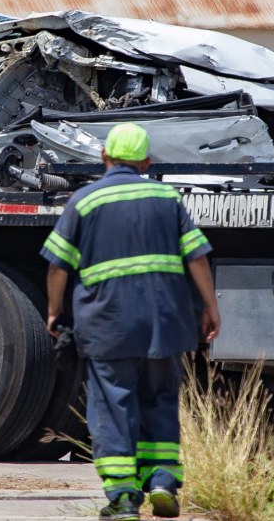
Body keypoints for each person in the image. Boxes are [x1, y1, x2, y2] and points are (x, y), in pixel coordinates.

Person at [40, 122, 221, 521]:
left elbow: (57, 266)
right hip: (165, 326)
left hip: (108, 329)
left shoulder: (85, 201)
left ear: (104, 157)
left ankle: (123, 498)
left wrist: (55, 311)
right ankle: (160, 482)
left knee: (112, 407)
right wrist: (210, 307)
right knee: (161, 402)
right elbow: (196, 257)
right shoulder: (167, 198)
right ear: (146, 162)